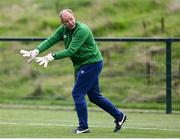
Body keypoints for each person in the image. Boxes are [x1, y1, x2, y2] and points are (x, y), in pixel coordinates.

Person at [20, 9, 127, 134]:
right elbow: (50, 40)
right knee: (94, 97)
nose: (71, 22)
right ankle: (120, 117)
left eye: (71, 19)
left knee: (77, 93)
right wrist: (36, 51)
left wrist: (51, 56)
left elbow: (71, 50)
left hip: (92, 63)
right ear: (62, 23)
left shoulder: (82, 30)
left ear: (74, 16)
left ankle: (83, 127)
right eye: (67, 21)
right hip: (81, 65)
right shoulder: (63, 30)